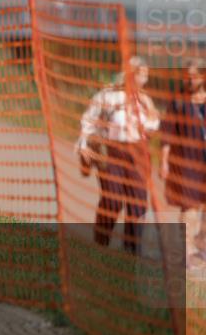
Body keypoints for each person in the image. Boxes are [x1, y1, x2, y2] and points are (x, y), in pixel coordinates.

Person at [77, 56, 160, 254]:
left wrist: (151, 121)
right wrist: (83, 145)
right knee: (112, 200)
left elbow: (153, 125)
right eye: (141, 73)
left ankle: (131, 252)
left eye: (146, 74)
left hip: (138, 153)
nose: (144, 78)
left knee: (138, 203)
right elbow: (88, 120)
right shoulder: (108, 95)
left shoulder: (146, 100)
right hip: (112, 151)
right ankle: (101, 244)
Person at [160, 60, 206, 264]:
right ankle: (185, 251)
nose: (190, 79)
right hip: (187, 161)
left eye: (194, 75)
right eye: (187, 75)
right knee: (189, 206)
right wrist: (164, 162)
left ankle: (201, 246)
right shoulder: (178, 100)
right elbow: (167, 132)